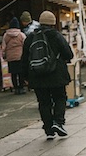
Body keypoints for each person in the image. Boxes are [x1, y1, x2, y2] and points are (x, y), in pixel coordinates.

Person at [19, 10, 75, 140]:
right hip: (56, 75)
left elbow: (24, 59)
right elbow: (68, 54)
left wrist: (25, 77)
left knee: (44, 102)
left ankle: (48, 128)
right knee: (60, 98)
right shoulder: (56, 35)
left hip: (37, 75)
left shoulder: (31, 37)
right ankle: (58, 122)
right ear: (53, 23)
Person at [2, 17, 27, 94]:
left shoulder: (6, 35)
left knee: (13, 73)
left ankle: (16, 88)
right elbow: (25, 45)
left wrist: (4, 55)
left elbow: (3, 47)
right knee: (21, 73)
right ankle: (21, 88)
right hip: (20, 56)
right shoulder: (21, 35)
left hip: (10, 57)